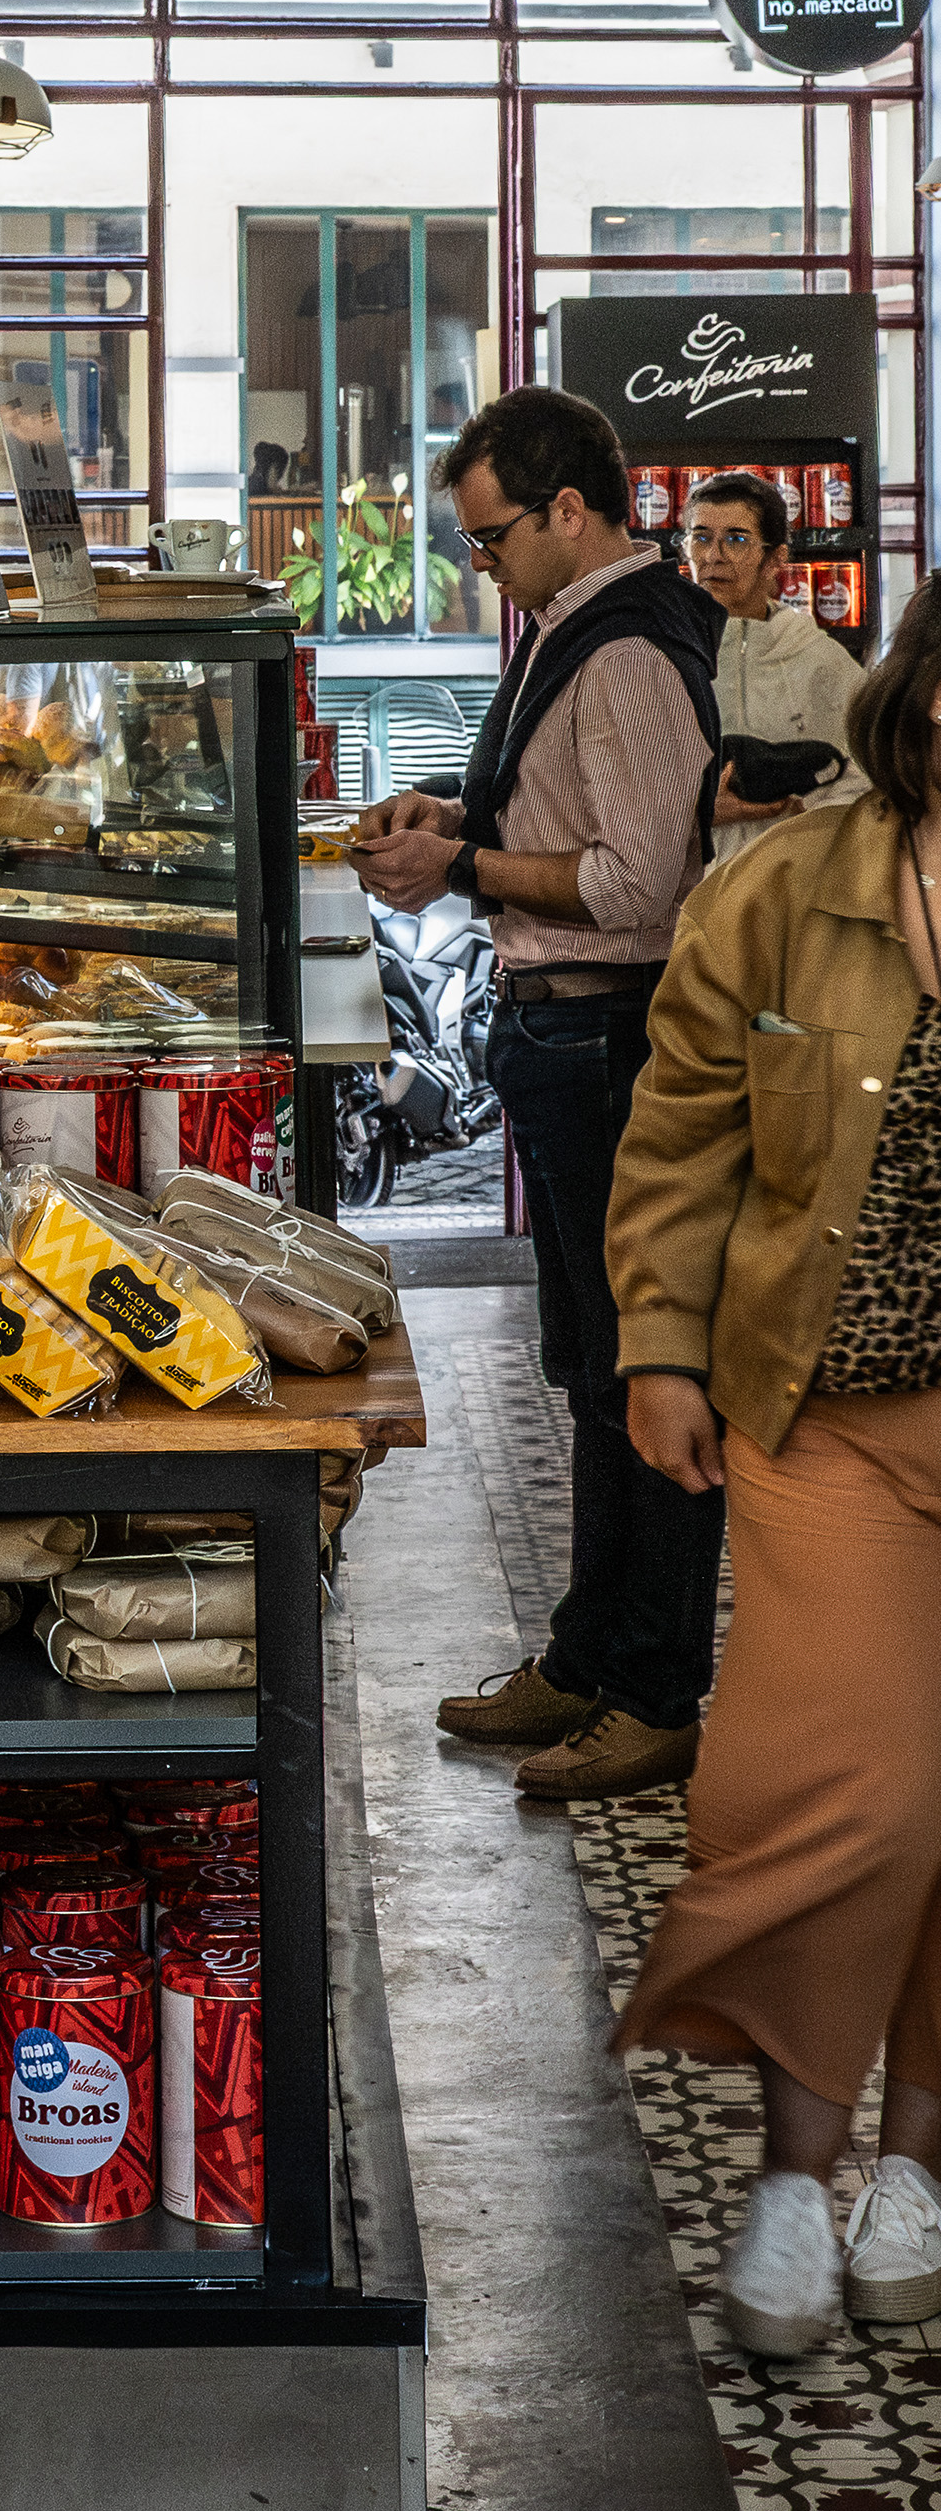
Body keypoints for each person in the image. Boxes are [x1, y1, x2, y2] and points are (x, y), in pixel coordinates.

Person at [603, 573, 941, 2356]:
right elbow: (676, 1137)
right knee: (839, 1793)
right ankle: (794, 2177)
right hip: (827, 1420)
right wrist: (658, 1346)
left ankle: (915, 2168)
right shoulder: (782, 887)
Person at [353, 382, 726, 1805]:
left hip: (614, 1040)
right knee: (591, 1372)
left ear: (568, 510)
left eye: (490, 539)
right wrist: (457, 812)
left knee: (649, 1374)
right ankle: (586, 1656)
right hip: (563, 1041)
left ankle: (654, 1689)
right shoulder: (577, 629)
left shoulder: (629, 651)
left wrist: (461, 869)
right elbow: (571, 812)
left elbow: (640, 884)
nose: (481, 565)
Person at [686, 471, 862, 840]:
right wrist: (697, 813)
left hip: (795, 887)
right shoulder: (661, 659)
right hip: (689, 894)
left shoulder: (824, 664)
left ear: (776, 558)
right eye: (701, 537)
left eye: (736, 539)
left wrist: (802, 816)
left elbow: (872, 779)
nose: (713, 556)